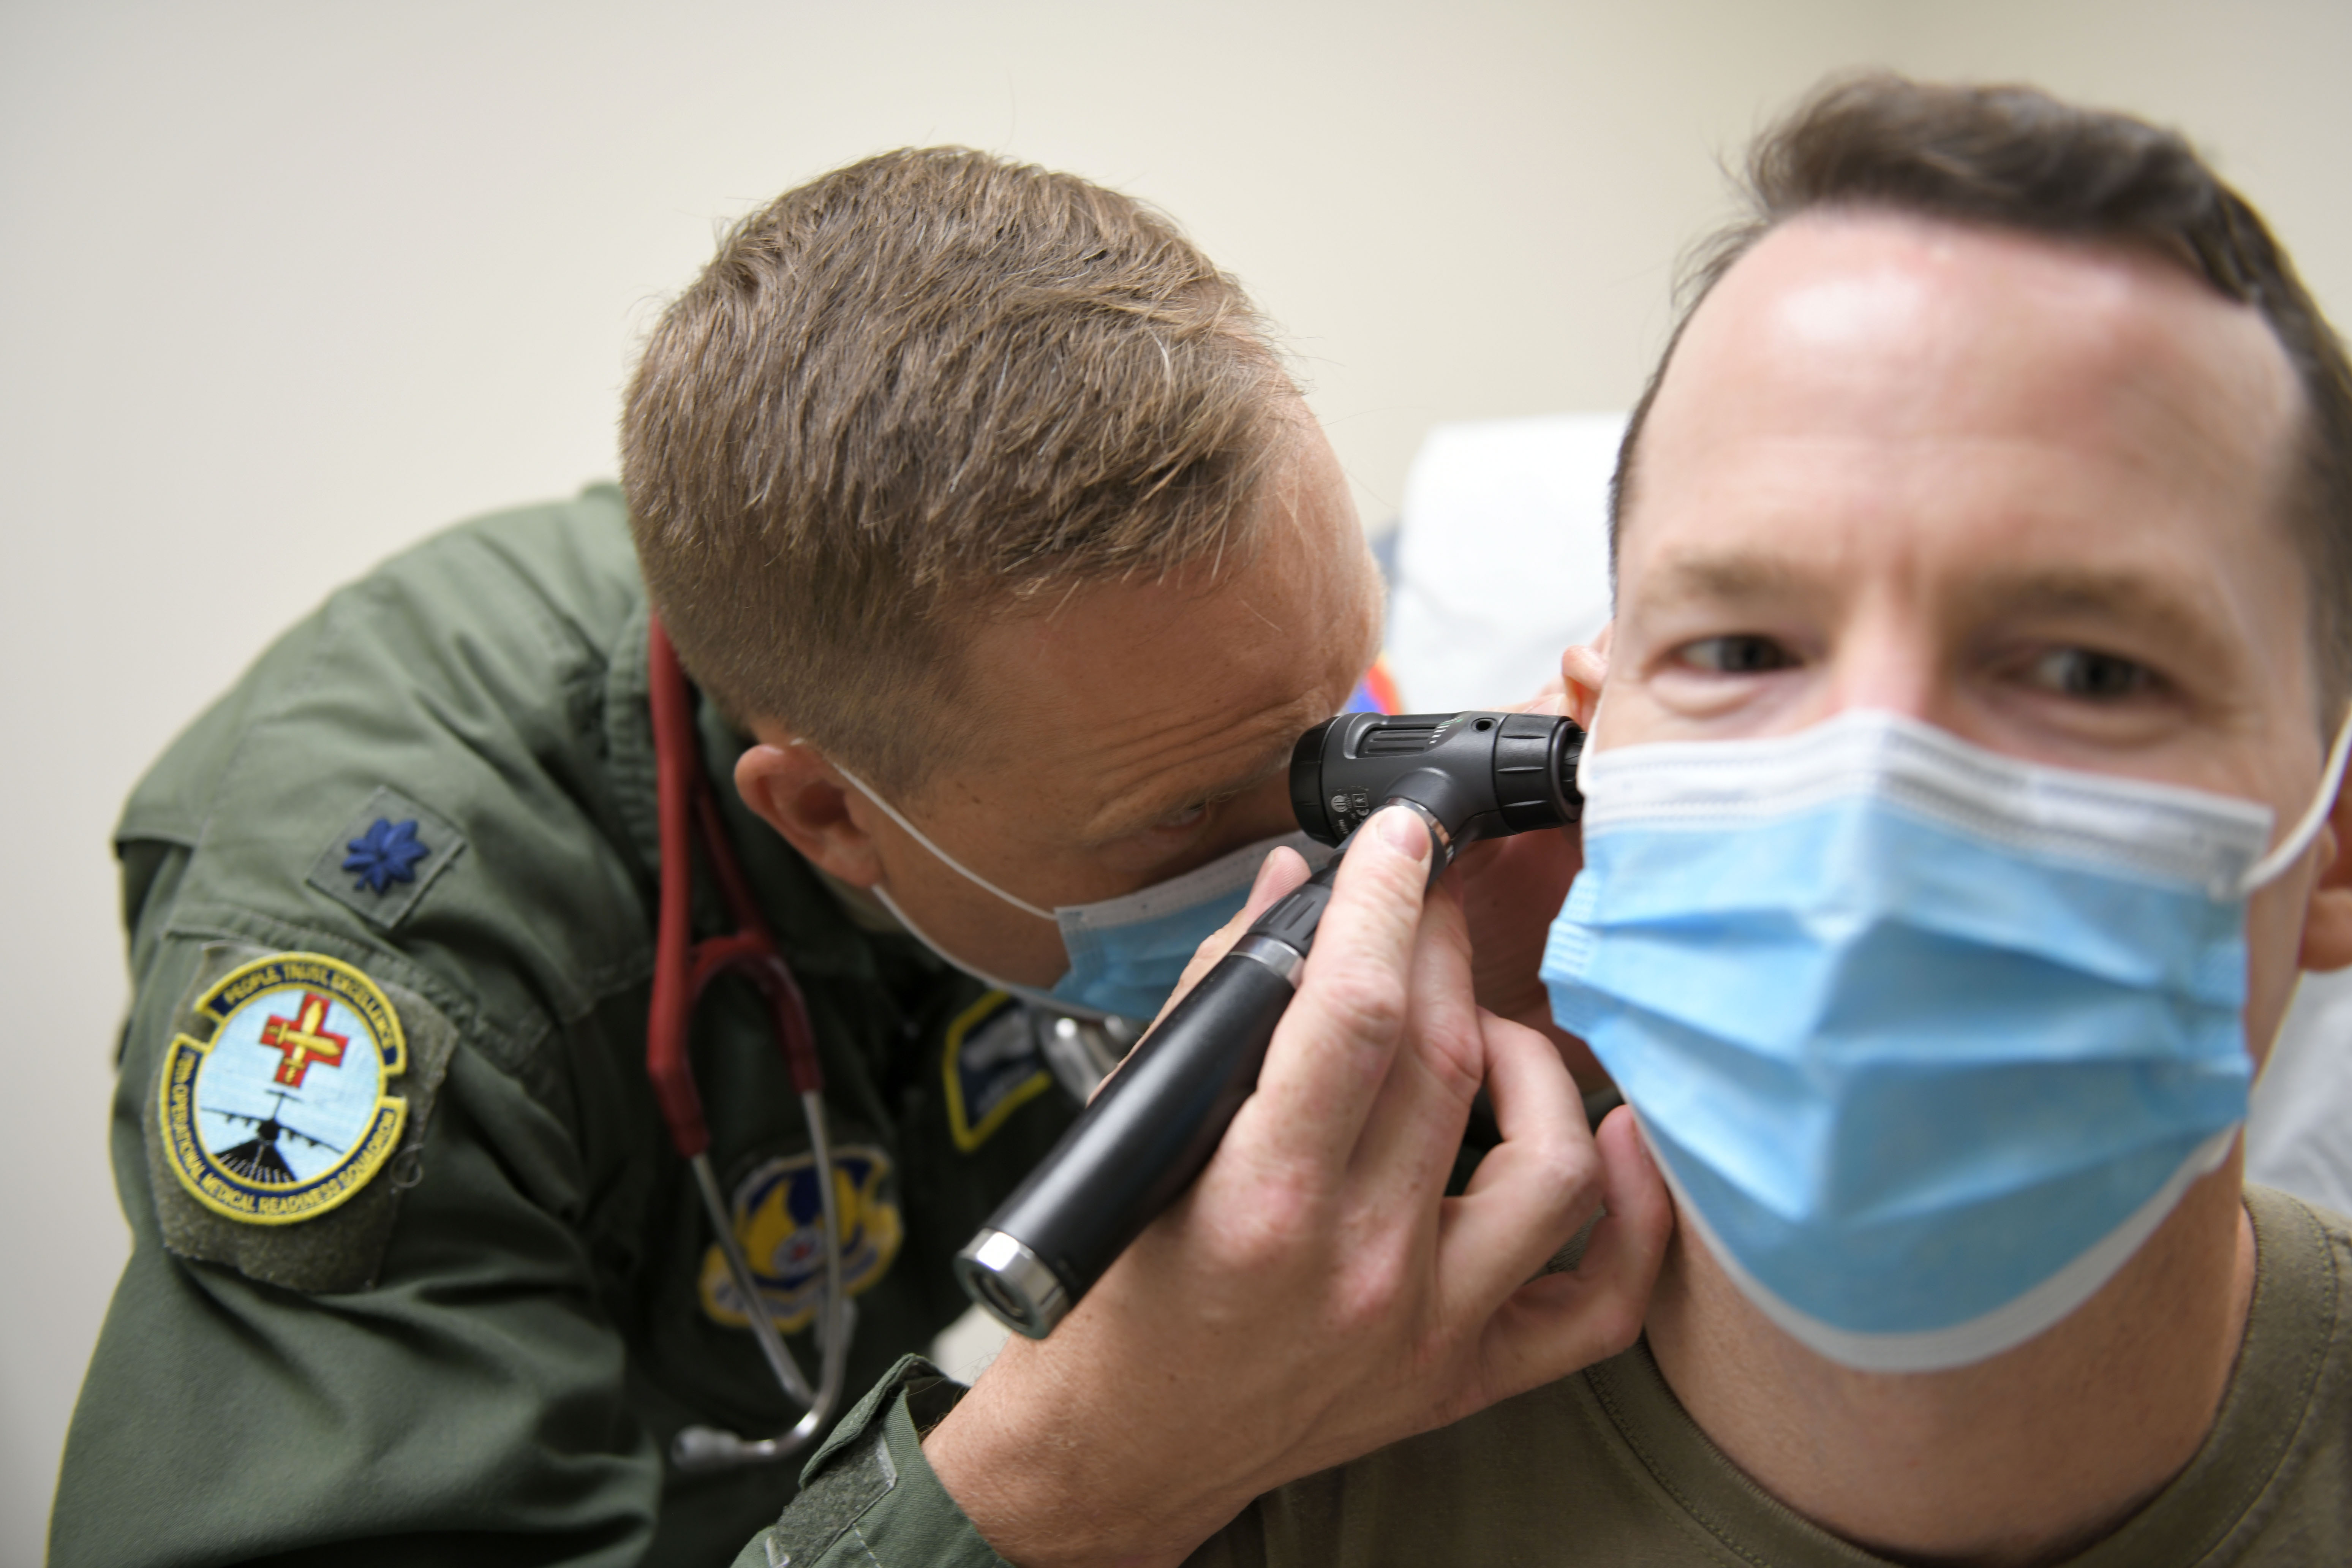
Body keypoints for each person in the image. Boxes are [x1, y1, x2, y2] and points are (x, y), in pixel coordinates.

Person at [752, 77, 2352, 1568]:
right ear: (1591, 750)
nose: (1867, 798)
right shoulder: (1220, 1465)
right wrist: (1080, 1465)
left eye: (2086, 670)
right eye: (1743, 649)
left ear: (2336, 838)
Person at [48, 147, 1592, 1566]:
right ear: (832, 818)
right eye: (1188, 821)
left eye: (1342, 724)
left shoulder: (1165, 686)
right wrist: (1078, 1474)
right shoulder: (396, 967)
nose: (1318, 847)